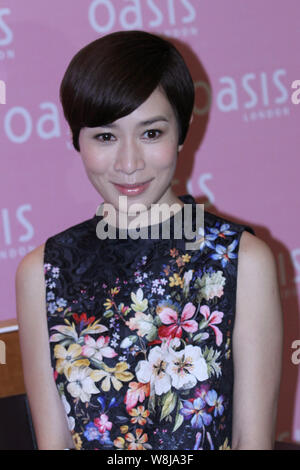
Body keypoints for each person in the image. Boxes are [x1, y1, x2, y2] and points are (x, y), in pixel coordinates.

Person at [15, 30, 283, 450]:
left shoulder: (242, 261)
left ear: (182, 130)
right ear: (77, 140)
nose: (128, 163)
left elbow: (254, 441)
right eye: (105, 136)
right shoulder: (43, 272)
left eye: (151, 133)